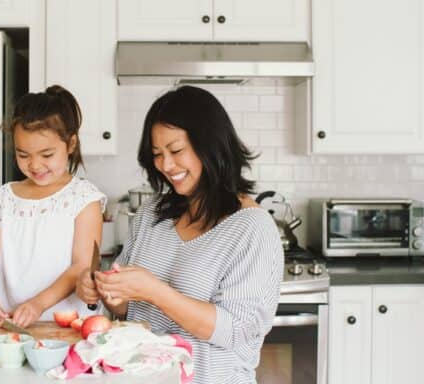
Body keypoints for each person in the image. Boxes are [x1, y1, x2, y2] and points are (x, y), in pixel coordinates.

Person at [76, 85, 283, 383]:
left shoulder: (251, 228)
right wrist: (103, 290)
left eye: (175, 151)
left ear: (210, 145)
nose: (165, 165)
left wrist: (154, 290)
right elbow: (128, 310)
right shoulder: (151, 213)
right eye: (157, 154)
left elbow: (238, 330)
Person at [0, 85, 106, 329]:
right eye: (23, 155)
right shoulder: (5, 196)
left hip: (67, 328)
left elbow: (81, 266)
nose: (34, 165)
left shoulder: (84, 198)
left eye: (46, 155)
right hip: (8, 326)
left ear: (71, 144)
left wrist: (38, 304)